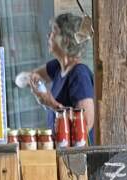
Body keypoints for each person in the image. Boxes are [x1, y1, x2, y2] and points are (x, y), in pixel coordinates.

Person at [27, 13, 95, 142]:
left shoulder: (79, 74)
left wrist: (51, 103)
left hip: (75, 157)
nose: (49, 35)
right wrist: (35, 81)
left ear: (66, 39)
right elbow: (33, 76)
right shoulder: (58, 67)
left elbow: (85, 124)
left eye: (54, 32)